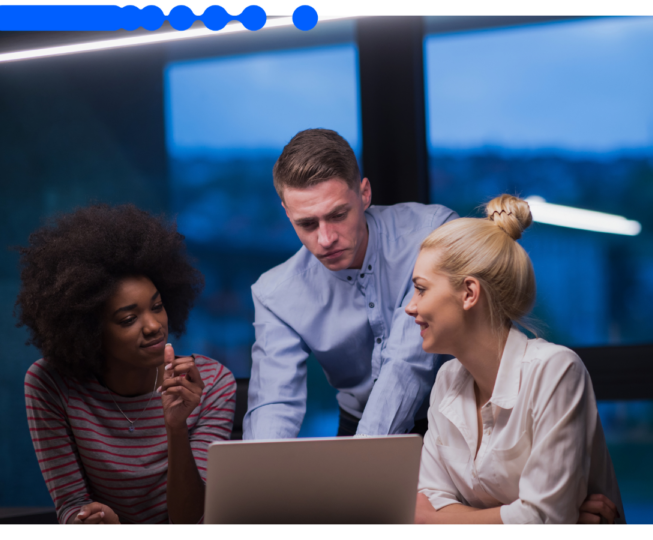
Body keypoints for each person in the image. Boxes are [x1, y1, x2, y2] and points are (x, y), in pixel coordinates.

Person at [407, 194, 625, 524]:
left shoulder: (556, 371)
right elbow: (430, 497)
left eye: (421, 289)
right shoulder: (448, 379)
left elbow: (543, 518)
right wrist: (524, 516)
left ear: (468, 293)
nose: (411, 306)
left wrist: (440, 521)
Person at [19, 204, 236, 524]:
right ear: (90, 330)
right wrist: (91, 521)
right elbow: (70, 506)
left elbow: (194, 522)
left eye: (158, 306)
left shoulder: (212, 382)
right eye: (129, 318)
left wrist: (176, 427)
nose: (153, 326)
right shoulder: (51, 384)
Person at [243, 128, 457, 439]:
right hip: (357, 425)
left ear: (365, 193)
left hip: (456, 419)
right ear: (288, 215)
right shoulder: (274, 295)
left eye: (338, 215)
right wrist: (258, 481)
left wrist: (362, 458)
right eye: (307, 224)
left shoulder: (432, 235)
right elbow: (274, 402)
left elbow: (406, 362)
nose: (326, 239)